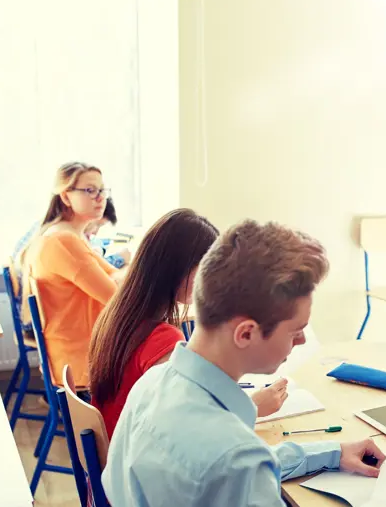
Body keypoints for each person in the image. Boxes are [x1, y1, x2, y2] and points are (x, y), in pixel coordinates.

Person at [102, 220, 386, 507]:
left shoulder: (152, 384)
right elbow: (233, 465)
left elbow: (231, 467)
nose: (302, 340)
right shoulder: (236, 461)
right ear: (247, 333)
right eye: (295, 330)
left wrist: (332, 453)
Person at [88, 209, 290, 439]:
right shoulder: (162, 339)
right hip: (145, 464)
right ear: (176, 268)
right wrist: (252, 407)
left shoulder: (117, 316)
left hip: (119, 457)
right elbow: (187, 431)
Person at [23, 162, 122, 388]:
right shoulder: (63, 242)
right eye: (90, 190)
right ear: (66, 197)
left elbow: (115, 276)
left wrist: (118, 277)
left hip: (78, 351)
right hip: (80, 360)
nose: (100, 197)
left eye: (102, 190)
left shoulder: (69, 236)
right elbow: (116, 297)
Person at [84, 197, 131, 269]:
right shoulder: (72, 238)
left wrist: (101, 249)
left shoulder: (88, 237)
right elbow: (94, 269)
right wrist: (120, 258)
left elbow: (96, 242)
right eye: (97, 224)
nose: (95, 232)